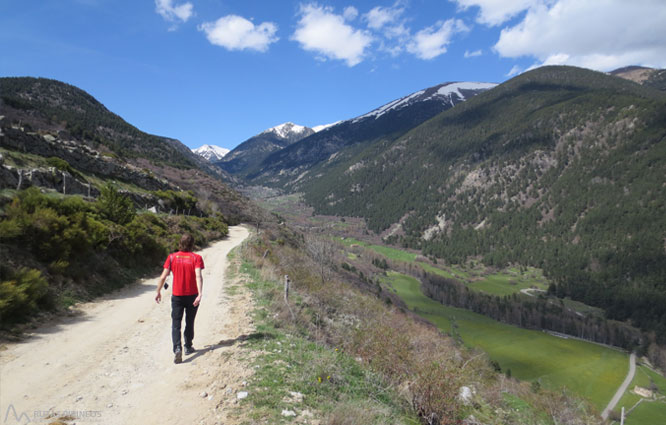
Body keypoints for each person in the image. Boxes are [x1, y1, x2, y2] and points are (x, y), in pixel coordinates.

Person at [155, 233, 204, 364]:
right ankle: (188, 346)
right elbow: (198, 276)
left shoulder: (171, 257)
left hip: (177, 296)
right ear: (192, 244)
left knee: (176, 323)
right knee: (190, 321)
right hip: (192, 295)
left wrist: (158, 291)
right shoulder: (196, 258)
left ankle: (177, 348)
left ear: (180, 244)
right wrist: (200, 294)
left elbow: (163, 276)